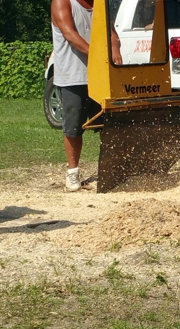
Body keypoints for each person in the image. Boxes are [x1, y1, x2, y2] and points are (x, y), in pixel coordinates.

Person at [51, 0, 122, 192]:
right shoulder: (62, 2)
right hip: (73, 77)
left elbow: (111, 32)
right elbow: (69, 34)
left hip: (100, 76)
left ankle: (112, 169)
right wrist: (98, 54)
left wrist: (115, 48)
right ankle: (73, 173)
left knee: (110, 124)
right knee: (73, 128)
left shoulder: (99, 5)